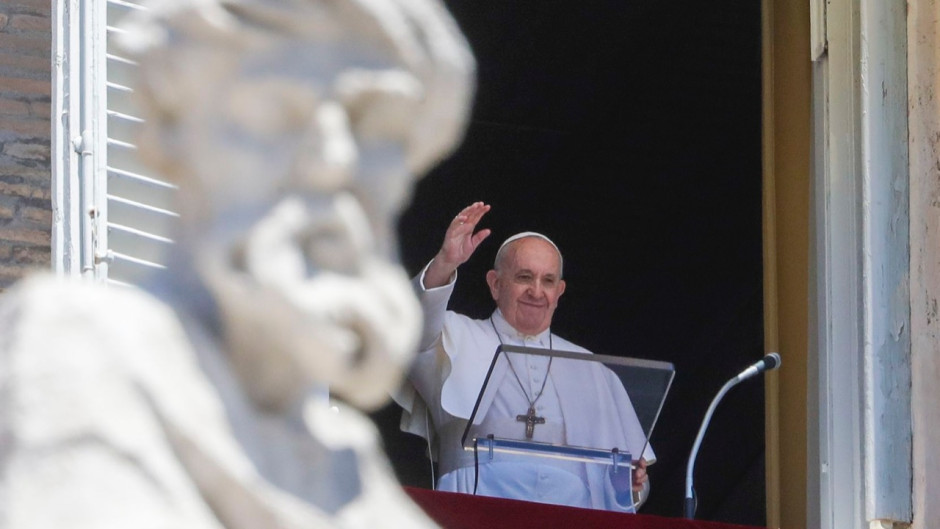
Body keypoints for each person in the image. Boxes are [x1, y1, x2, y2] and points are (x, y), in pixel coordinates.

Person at [0, 0, 474, 527]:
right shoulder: (79, 355)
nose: (333, 159)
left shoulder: (360, 479)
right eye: (276, 109)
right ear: (170, 129)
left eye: (373, 123)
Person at [397, 202, 655, 512]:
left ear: (559, 292)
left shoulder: (591, 369)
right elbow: (409, 329)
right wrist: (445, 261)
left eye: (547, 281)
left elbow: (625, 486)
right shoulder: (455, 335)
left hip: (567, 515)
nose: (536, 291)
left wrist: (627, 483)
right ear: (495, 284)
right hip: (474, 508)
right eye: (524, 277)